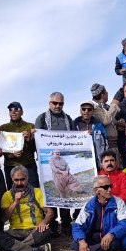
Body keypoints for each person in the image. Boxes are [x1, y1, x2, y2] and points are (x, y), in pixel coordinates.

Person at [59, 175, 126, 251]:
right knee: (76, 243)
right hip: (93, 240)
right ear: (96, 190)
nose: (109, 189)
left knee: (115, 244)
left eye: (110, 186)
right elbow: (77, 225)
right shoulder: (89, 205)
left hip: (110, 239)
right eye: (105, 187)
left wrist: (111, 234)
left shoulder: (118, 202)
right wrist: (81, 241)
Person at [35, 92, 75, 233]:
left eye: (61, 103)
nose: (58, 106)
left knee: (63, 190)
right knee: (50, 192)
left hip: (63, 160)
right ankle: (51, 226)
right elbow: (38, 140)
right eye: (55, 103)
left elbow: (75, 138)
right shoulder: (41, 119)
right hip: (48, 162)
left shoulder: (68, 119)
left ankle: (65, 223)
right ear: (49, 103)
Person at [0, 165, 55, 251]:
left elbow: (50, 212)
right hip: (15, 232)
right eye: (16, 180)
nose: (19, 183)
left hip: (34, 230)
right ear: (12, 179)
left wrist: (44, 222)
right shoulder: (7, 195)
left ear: (27, 178)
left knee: (45, 231)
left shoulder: (37, 192)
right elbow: (4, 218)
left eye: (22, 179)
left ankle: (12, 249)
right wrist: (15, 201)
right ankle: (36, 250)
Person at [0, 102, 38, 188]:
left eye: (16, 109)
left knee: (34, 191)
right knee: (13, 193)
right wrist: (12, 155)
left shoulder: (30, 126)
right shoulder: (3, 128)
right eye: (10, 110)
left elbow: (35, 149)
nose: (13, 112)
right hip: (11, 165)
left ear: (22, 112)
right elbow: (1, 150)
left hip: (28, 165)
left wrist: (28, 140)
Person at [74, 101, 108, 168]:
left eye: (89, 109)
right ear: (80, 111)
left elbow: (106, 142)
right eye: (84, 109)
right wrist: (82, 135)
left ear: (93, 111)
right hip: (81, 160)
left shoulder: (99, 125)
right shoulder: (74, 125)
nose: (86, 111)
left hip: (97, 160)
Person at [90, 83, 120, 158]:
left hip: (115, 145)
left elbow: (111, 121)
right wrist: (114, 104)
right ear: (103, 95)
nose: (107, 94)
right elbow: (106, 120)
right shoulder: (94, 107)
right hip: (106, 147)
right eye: (106, 92)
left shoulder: (106, 107)